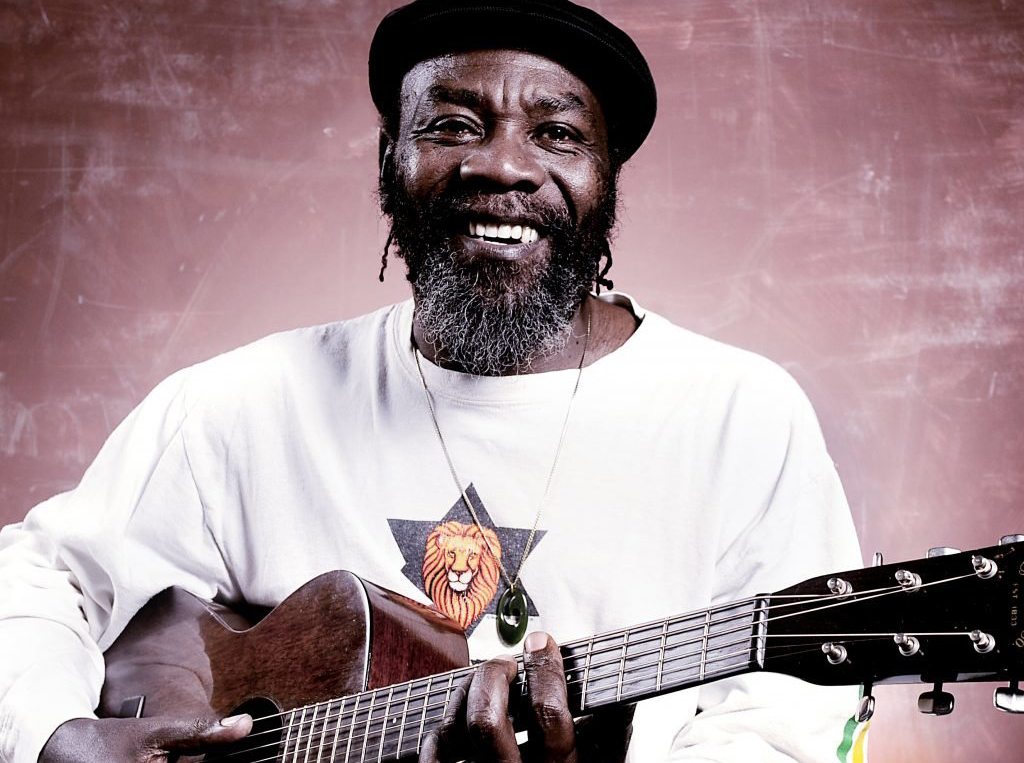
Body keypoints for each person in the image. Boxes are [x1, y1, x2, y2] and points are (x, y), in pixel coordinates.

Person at [0, 1, 866, 762]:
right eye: (452, 125)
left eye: (557, 134)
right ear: (390, 158)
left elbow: (791, 724)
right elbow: (43, 579)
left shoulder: (739, 418)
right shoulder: (242, 407)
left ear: (606, 180)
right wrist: (51, 734)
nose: (502, 166)